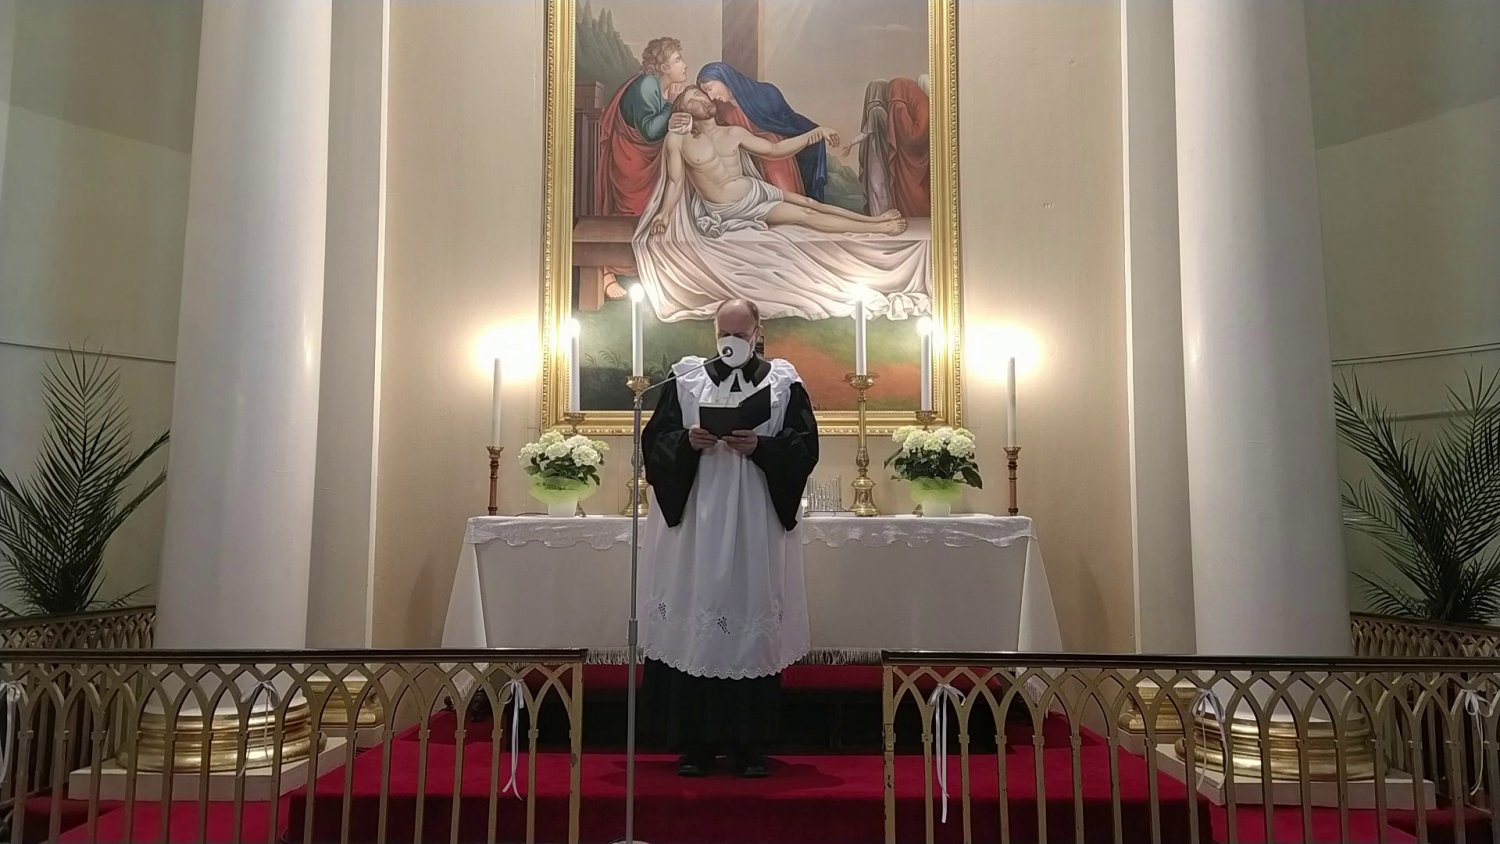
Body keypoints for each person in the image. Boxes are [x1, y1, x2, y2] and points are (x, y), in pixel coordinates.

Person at [639, 299, 819, 777]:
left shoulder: (782, 383)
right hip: (697, 524)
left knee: (749, 612)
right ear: (713, 332)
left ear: (758, 332)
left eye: (740, 334)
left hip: (753, 521)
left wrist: (762, 446)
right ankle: (694, 744)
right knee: (697, 612)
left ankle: (748, 744)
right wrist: (686, 442)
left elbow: (804, 448)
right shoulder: (686, 379)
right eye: (724, 333)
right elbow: (655, 443)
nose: (731, 342)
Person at [648, 87, 906, 238]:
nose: (702, 100)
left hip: (754, 190)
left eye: (701, 94)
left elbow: (775, 150)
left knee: (810, 203)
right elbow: (675, 181)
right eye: (692, 100)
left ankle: (873, 221)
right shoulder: (678, 140)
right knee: (805, 215)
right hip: (731, 208)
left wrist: (816, 133)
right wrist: (664, 214)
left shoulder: (734, 133)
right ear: (683, 111)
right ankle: (880, 230)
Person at [695, 62, 829, 202]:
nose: (711, 97)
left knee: (787, 203)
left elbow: (790, 122)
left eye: (710, 88)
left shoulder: (765, 94)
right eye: (706, 93)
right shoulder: (720, 109)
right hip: (746, 167)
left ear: (724, 77)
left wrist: (815, 132)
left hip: (775, 160)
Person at [596, 36, 696, 216]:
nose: (685, 65)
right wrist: (670, 104)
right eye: (677, 60)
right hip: (633, 163)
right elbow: (650, 132)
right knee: (637, 216)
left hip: (650, 160)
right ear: (664, 68)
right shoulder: (647, 84)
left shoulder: (666, 88)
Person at [841, 79, 895, 216]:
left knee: (877, 185)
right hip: (877, 154)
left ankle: (880, 216)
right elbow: (871, 132)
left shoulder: (875, 110)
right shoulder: (877, 110)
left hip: (876, 155)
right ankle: (882, 216)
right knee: (879, 185)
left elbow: (865, 133)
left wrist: (850, 144)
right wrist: (850, 144)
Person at [884, 75, 930, 218]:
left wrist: (899, 109)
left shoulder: (902, 105)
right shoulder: (919, 100)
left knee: (912, 194)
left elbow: (913, 135)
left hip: (912, 165)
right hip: (907, 162)